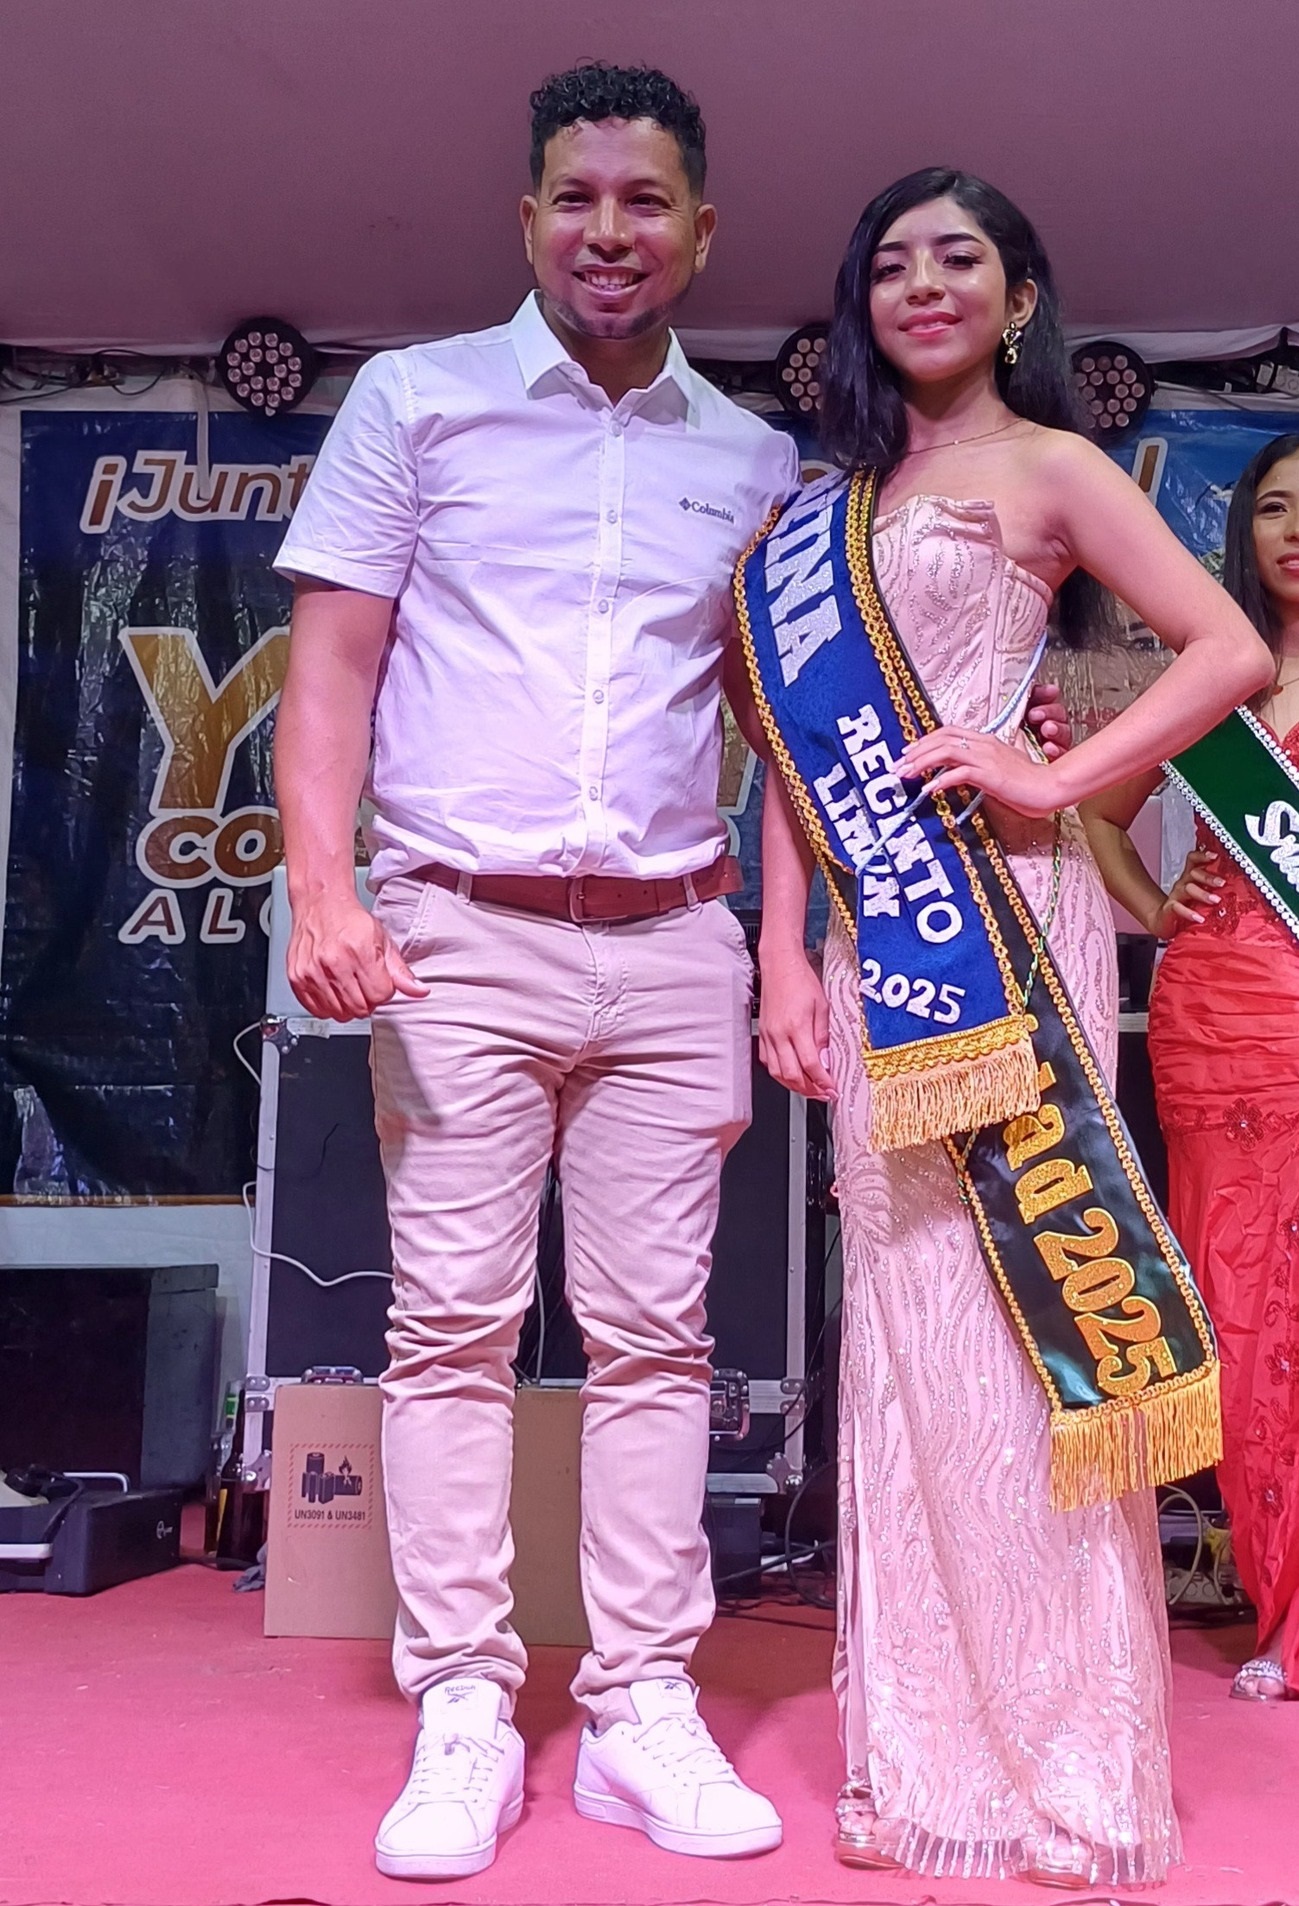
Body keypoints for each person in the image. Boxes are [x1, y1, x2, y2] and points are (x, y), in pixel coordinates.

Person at [273, 70, 1068, 1878]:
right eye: (574, 198)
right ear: (525, 219)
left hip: (670, 945)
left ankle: (641, 1701)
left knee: (659, 1342)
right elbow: (332, 665)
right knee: (449, 1329)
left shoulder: (753, 467)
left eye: (643, 203)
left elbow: (787, 736)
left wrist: (786, 946)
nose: (606, 232)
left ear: (699, 234)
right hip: (454, 935)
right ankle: (463, 1702)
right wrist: (325, 890)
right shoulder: (417, 400)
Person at [747, 167, 1271, 1887]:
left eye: (956, 258)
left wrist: (1053, 776)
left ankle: (1070, 1769)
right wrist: (779, 954)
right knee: (902, 1341)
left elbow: (1221, 654)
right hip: (870, 945)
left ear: (1017, 295)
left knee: (1020, 1330)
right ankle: (917, 1766)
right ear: (859, 300)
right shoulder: (821, 515)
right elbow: (785, 757)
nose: (922, 286)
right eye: (889, 263)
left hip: (1003, 929)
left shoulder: (1050, 466)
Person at [1083, 432, 1299, 1705]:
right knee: (1243, 1317)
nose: (1294, 530)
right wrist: (1160, 906)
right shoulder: (1214, 680)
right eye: (1274, 507)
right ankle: (1283, 1608)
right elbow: (1093, 812)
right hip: (1216, 1026)